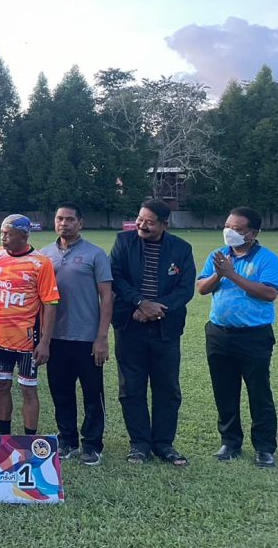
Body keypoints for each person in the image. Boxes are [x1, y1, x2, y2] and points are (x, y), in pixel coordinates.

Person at [110, 198, 195, 467]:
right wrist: (140, 302)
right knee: (131, 387)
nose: (141, 225)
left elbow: (185, 289)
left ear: (164, 224)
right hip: (129, 325)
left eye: (149, 222)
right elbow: (116, 278)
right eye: (139, 219)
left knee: (167, 388)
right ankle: (139, 444)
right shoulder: (123, 241)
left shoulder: (181, 248)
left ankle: (163, 444)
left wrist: (156, 309)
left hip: (165, 329)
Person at [197, 206, 278, 468]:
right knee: (224, 390)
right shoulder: (218, 256)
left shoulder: (267, 259)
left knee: (259, 391)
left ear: (252, 233)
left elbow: (269, 293)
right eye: (227, 226)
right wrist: (218, 274)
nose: (229, 232)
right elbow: (201, 288)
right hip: (219, 333)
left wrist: (232, 274)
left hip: (254, 336)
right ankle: (230, 442)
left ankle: (264, 447)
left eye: (237, 229)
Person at [38, 203, 113, 466]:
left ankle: (92, 444)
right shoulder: (44, 255)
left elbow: (107, 297)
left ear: (80, 223)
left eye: (70, 219)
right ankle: (67, 440)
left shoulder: (95, 254)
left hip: (87, 338)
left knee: (93, 393)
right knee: (61, 392)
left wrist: (102, 337)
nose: (64, 223)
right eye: (59, 218)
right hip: (55, 337)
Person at [0, 214, 59, 436]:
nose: (2, 237)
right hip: (0, 338)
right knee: (1, 386)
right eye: (1, 233)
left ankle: (29, 440)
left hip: (28, 342)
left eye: (8, 234)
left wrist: (45, 342)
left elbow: (50, 304)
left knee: (28, 390)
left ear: (24, 236)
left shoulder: (40, 263)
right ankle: (4, 438)